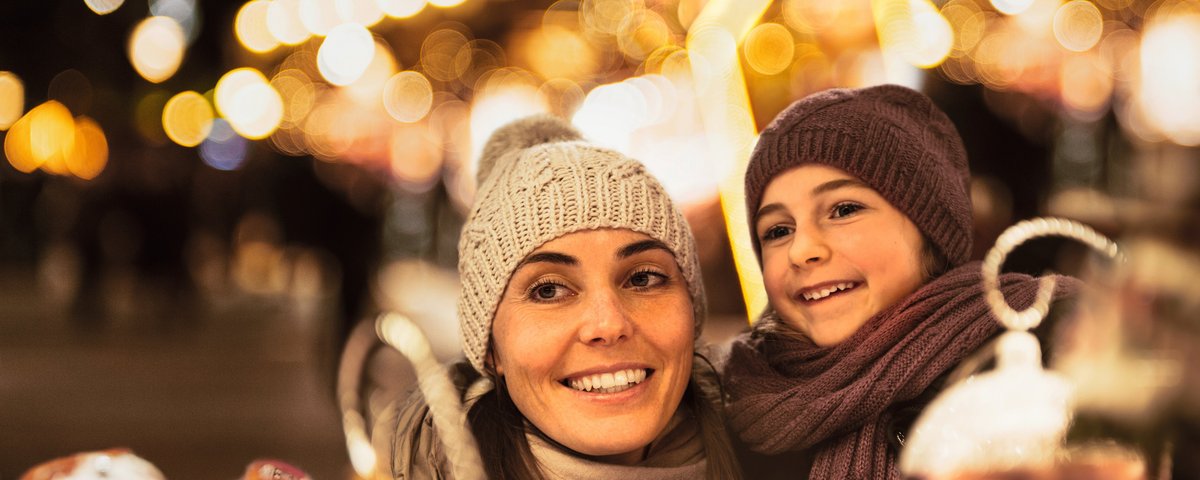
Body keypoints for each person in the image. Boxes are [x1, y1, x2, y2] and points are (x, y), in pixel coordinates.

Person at [721, 84, 1080, 479]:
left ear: (930, 227)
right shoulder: (731, 406)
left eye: (844, 210)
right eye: (777, 230)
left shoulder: (1054, 353)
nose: (800, 249)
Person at [386, 115, 741, 479]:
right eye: (549, 290)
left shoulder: (779, 457)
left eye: (643, 279)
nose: (609, 324)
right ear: (492, 349)